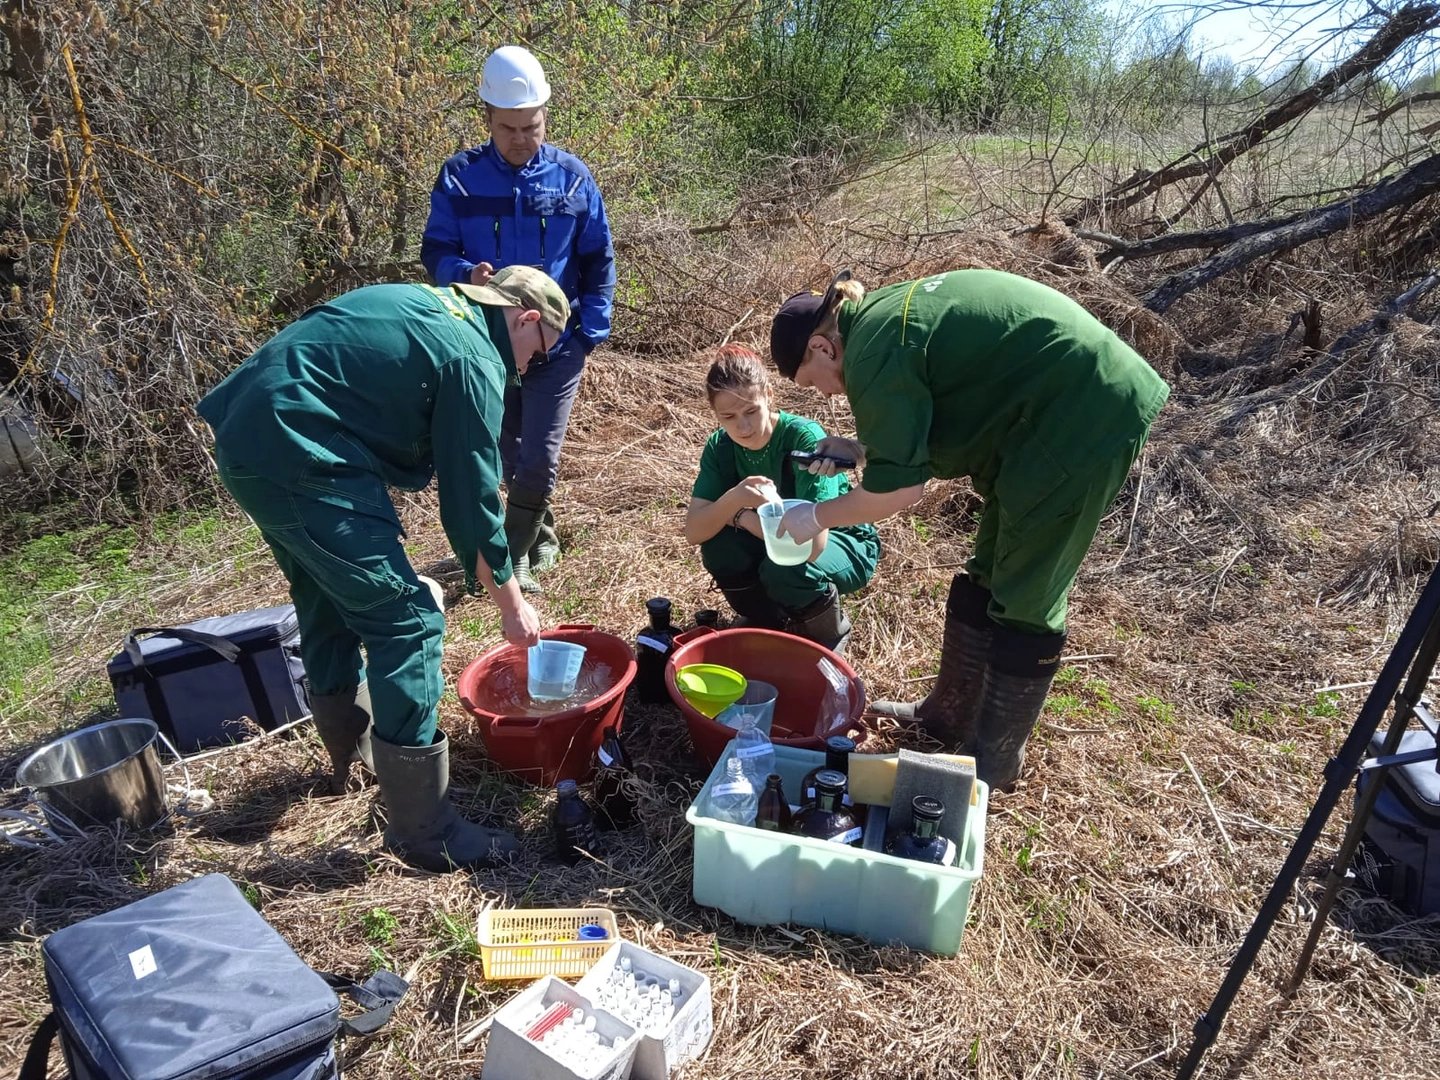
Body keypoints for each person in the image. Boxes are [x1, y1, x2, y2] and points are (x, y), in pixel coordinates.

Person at [197, 267, 570, 872]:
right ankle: (426, 832)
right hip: (302, 449)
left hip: (252, 436)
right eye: (539, 352)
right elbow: (471, 500)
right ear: (526, 319)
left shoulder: (431, 305)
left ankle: (348, 757)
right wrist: (511, 603)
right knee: (410, 620)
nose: (530, 368)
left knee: (324, 599)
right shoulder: (476, 355)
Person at [768, 268, 1169, 790]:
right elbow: (943, 411)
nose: (823, 394)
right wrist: (861, 450)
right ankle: (949, 714)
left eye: (811, 382)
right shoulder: (879, 324)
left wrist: (813, 517)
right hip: (1036, 415)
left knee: (1027, 587)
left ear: (822, 347)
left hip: (1082, 412)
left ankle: (994, 760)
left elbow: (899, 493)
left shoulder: (871, 353)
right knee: (987, 567)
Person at [421, 44, 616, 594]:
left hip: (558, 343)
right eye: (508, 128)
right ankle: (540, 531)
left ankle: (517, 553)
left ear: (545, 116)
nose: (519, 138)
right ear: (486, 118)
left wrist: (588, 335)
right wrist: (466, 273)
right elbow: (435, 251)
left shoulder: (574, 180)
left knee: (541, 456)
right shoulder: (459, 178)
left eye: (530, 127)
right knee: (509, 450)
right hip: (489, 342)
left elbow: (598, 260)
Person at [683, 344, 879, 653]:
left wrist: (745, 518)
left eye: (751, 411)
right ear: (715, 415)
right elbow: (694, 531)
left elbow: (812, 547)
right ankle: (766, 620)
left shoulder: (802, 436)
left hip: (840, 541)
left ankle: (826, 635)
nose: (743, 426)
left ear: (769, 396)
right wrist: (734, 501)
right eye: (729, 416)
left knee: (784, 566)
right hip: (777, 539)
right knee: (719, 548)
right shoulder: (720, 446)